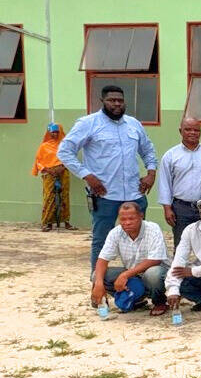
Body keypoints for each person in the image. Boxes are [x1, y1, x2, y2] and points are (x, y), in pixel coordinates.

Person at [58, 85, 158, 270]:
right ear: (102, 101)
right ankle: (98, 282)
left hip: (134, 194)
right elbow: (64, 151)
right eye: (112, 100)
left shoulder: (134, 124)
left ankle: (138, 281)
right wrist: (87, 175)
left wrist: (151, 173)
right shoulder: (88, 123)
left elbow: (148, 150)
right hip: (105, 195)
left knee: (141, 240)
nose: (117, 104)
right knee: (101, 241)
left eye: (120, 100)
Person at [158, 117, 201, 249]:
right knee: (181, 245)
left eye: (196, 130)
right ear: (180, 131)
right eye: (188, 129)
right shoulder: (170, 156)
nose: (192, 133)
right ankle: (180, 262)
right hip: (181, 208)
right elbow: (165, 183)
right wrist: (167, 208)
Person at [90, 202, 169, 315]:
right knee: (97, 275)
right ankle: (135, 299)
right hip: (133, 275)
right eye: (123, 219)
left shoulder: (153, 228)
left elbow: (155, 260)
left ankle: (159, 301)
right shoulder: (115, 232)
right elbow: (102, 259)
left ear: (141, 216)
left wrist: (125, 275)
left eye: (131, 218)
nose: (127, 222)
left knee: (153, 273)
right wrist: (98, 284)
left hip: (155, 273)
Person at [32, 123, 74, 232]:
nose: (54, 134)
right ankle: (47, 223)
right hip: (49, 174)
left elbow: (70, 158)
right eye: (52, 132)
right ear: (48, 133)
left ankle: (66, 222)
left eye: (56, 132)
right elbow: (39, 161)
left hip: (63, 172)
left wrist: (62, 167)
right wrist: (49, 170)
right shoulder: (44, 146)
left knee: (64, 196)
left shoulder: (64, 145)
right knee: (49, 197)